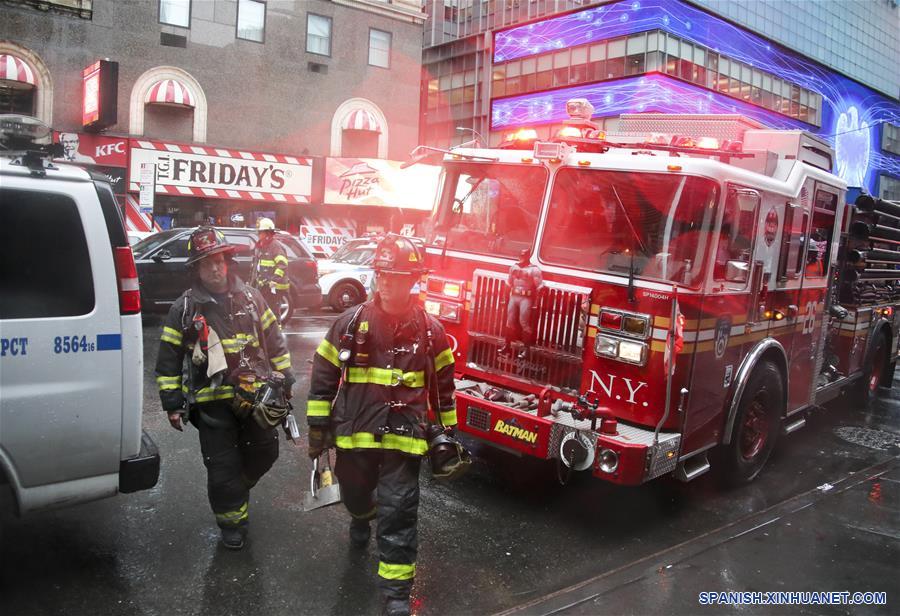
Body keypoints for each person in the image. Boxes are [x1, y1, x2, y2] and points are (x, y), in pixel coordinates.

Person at [306, 234, 457, 616]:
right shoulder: (350, 323)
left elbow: (443, 388)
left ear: (412, 281)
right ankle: (360, 516)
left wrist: (448, 435)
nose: (388, 283)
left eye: (397, 276)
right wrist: (317, 426)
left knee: (399, 510)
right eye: (383, 275)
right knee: (356, 493)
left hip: (405, 438)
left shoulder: (430, 331)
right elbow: (324, 374)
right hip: (356, 433)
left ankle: (396, 594)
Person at [155, 226, 294, 550]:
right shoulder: (185, 308)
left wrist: (285, 380)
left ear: (227, 261)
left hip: (257, 398)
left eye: (218, 260)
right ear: (196, 269)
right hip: (212, 405)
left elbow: (274, 339)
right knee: (221, 470)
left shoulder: (251, 297)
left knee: (266, 451)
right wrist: (172, 403)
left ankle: (236, 488)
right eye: (207, 263)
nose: (215, 268)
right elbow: (168, 358)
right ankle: (232, 526)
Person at [499, 248, 543, 359]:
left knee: (524, 323)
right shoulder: (513, 267)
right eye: (520, 256)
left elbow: (539, 287)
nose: (521, 258)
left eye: (524, 256)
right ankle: (507, 346)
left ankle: (526, 349)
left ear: (528, 256)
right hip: (514, 296)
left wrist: (536, 303)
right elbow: (508, 283)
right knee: (510, 321)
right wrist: (505, 298)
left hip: (526, 298)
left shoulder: (534, 270)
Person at [251, 217, 291, 323]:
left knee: (273, 310)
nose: (258, 234)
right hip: (265, 285)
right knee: (264, 311)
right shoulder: (262, 246)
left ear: (268, 233)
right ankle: (268, 332)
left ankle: (276, 333)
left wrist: (274, 280)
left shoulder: (275, 246)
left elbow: (282, 265)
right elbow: (258, 267)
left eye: (260, 232)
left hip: (275, 287)